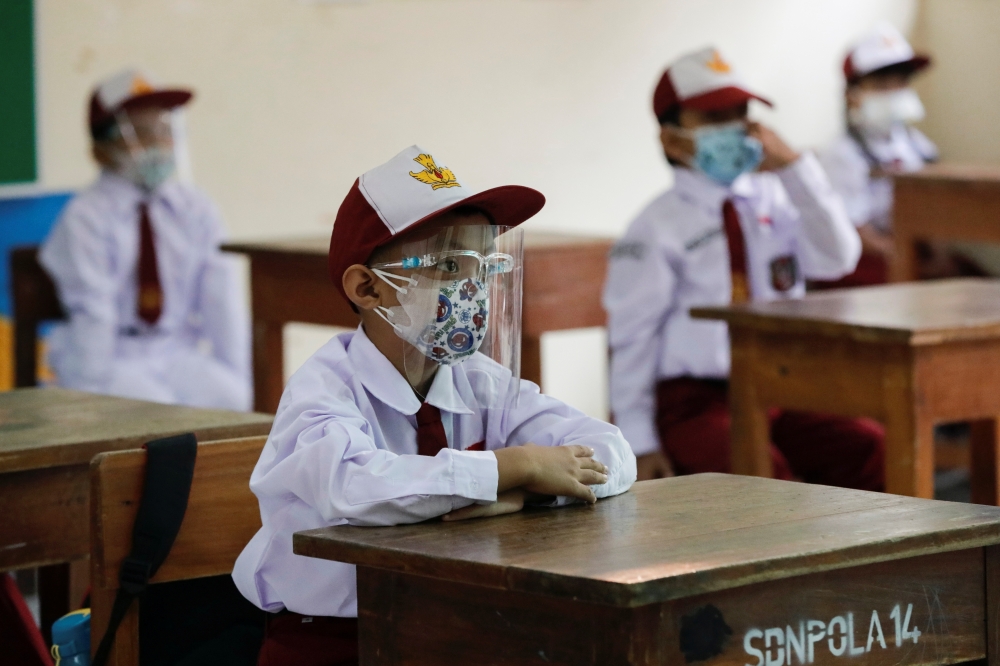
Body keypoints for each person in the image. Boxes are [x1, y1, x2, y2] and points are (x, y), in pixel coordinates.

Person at [232, 145, 636, 665]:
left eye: (484, 268)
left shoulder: (483, 383)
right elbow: (356, 489)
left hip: (448, 627)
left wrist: (526, 495)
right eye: (449, 265)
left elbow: (611, 450)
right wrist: (512, 467)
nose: (474, 291)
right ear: (367, 287)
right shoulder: (323, 392)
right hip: (330, 640)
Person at [603, 47, 885, 488]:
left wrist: (795, 169)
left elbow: (838, 257)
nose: (735, 130)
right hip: (697, 400)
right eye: (715, 119)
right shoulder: (656, 227)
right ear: (672, 138)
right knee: (764, 477)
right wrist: (638, 442)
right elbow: (632, 336)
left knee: (869, 445)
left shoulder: (776, 196)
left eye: (741, 114)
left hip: (782, 385)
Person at [39, 69, 251, 410]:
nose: (158, 142)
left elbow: (222, 302)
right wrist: (87, 397)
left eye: (164, 129)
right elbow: (93, 310)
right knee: (157, 419)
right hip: (114, 357)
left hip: (175, 350)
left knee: (235, 400)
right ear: (102, 145)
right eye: (140, 132)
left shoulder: (195, 209)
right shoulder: (86, 216)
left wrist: (240, 376)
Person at [817, 23, 939, 285]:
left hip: (911, 247)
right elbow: (855, 229)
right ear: (853, 95)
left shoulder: (917, 145)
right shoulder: (842, 153)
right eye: (883, 83)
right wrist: (905, 258)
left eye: (901, 82)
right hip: (869, 258)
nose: (895, 91)